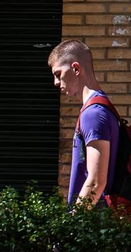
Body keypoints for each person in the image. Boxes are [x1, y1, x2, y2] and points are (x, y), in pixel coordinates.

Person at [49, 39, 121, 210]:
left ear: (75, 69)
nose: (56, 82)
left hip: (95, 219)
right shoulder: (100, 107)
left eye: (58, 74)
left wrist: (75, 220)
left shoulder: (93, 114)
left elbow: (96, 182)